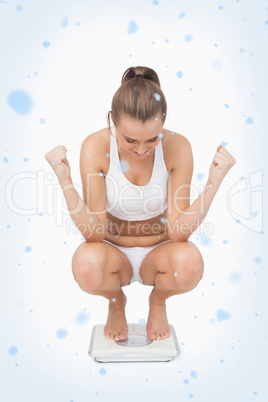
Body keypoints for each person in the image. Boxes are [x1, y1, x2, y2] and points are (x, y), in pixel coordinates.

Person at [44, 66, 236, 342]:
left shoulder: (178, 146)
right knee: (86, 264)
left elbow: (179, 232)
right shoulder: (95, 146)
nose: (142, 150)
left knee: (190, 263)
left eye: (152, 139)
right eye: (130, 139)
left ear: (163, 122)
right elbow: (94, 233)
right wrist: (64, 180)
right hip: (112, 251)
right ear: (113, 121)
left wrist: (213, 182)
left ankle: (158, 302)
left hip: (158, 252)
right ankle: (116, 302)